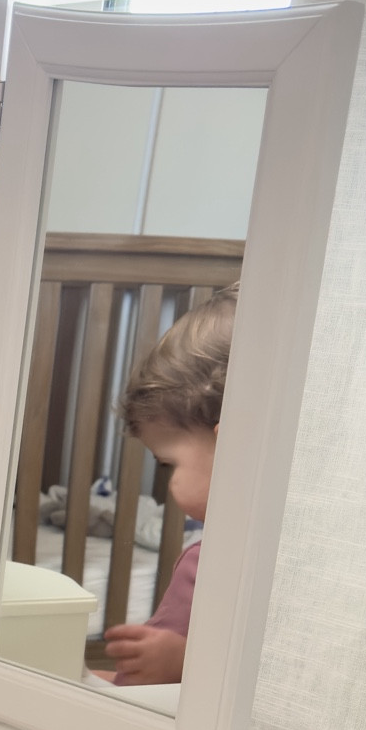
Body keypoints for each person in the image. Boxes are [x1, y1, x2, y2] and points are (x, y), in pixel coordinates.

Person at [102, 283, 234, 688]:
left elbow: (143, 687)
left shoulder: (207, 564)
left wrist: (181, 663)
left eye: (167, 464)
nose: (169, 481)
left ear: (232, 445)